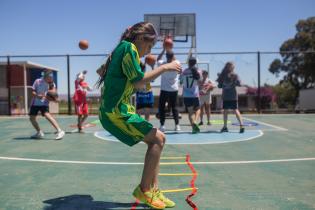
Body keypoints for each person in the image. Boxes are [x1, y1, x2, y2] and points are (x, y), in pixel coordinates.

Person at [96, 22, 181, 209]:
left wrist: (123, 79)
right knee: (158, 139)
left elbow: (102, 71)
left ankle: (153, 190)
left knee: (158, 139)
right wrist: (166, 67)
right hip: (116, 112)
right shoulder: (129, 48)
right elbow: (139, 80)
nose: (148, 51)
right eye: (149, 46)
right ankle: (144, 190)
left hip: (117, 110)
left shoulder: (122, 49)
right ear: (141, 38)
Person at [29, 71, 65, 140]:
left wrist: (55, 99)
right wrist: (37, 95)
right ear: (45, 76)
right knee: (32, 118)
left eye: (51, 77)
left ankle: (60, 131)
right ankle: (39, 132)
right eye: (49, 77)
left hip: (44, 103)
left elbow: (53, 93)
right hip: (35, 103)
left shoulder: (52, 84)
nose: (51, 78)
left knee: (47, 115)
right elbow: (33, 91)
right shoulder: (37, 81)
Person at [216, 62, 245, 133]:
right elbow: (240, 84)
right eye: (233, 66)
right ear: (231, 67)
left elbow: (219, 86)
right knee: (235, 110)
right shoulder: (234, 75)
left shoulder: (223, 75)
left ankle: (225, 126)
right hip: (233, 96)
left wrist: (223, 83)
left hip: (226, 96)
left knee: (225, 111)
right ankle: (241, 125)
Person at [157, 49, 181, 132]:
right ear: (173, 56)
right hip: (174, 89)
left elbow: (158, 59)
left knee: (162, 107)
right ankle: (177, 125)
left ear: (166, 56)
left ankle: (162, 125)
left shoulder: (162, 64)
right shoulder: (177, 63)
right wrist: (170, 49)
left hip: (164, 89)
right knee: (174, 107)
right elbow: (174, 58)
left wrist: (164, 49)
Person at [180, 57, 202, 133]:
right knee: (198, 109)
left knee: (190, 112)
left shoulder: (184, 71)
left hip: (186, 95)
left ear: (188, 63)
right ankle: (195, 121)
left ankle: (193, 128)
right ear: (195, 63)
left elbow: (180, 82)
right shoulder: (198, 71)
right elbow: (200, 81)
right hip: (195, 94)